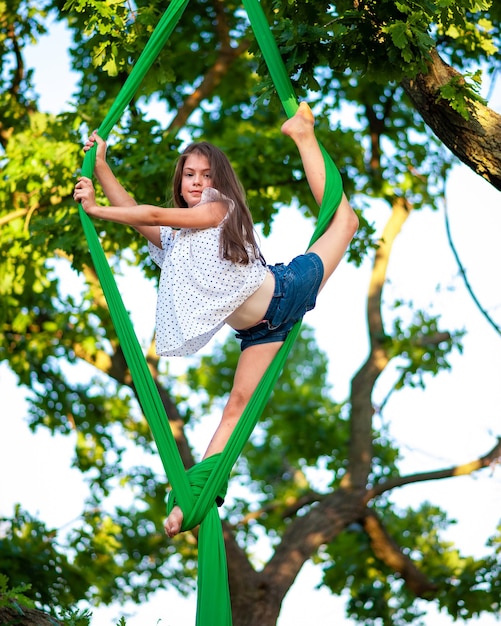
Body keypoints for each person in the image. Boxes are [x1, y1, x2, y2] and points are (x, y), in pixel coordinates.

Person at [73, 102, 359, 537]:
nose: (197, 183)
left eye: (206, 176)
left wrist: (96, 211)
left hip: (286, 290)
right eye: (190, 175)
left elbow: (148, 213)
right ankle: (196, 499)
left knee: (346, 221)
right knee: (236, 408)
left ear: (218, 182)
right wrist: (103, 169)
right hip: (261, 331)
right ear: (180, 178)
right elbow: (137, 213)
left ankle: (303, 132)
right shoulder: (175, 239)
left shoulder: (218, 208)